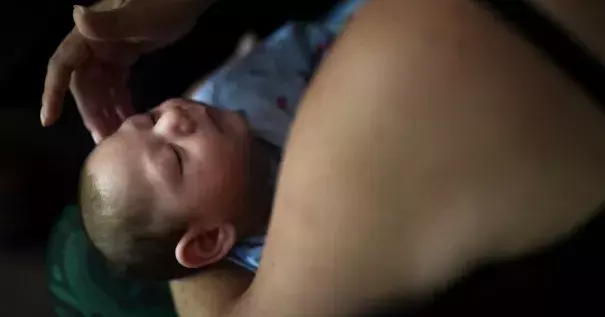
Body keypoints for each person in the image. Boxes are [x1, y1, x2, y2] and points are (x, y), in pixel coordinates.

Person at [44, 0, 605, 316]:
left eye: (148, 118)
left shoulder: (229, 97)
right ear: (211, 242)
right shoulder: (282, 248)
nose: (176, 117)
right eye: (173, 157)